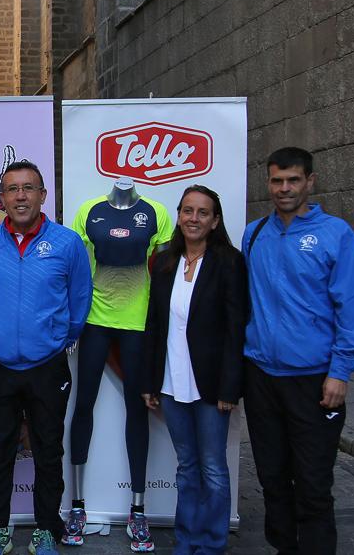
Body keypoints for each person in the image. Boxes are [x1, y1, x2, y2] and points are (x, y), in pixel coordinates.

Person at [243, 147, 354, 555]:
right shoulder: (254, 234)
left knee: (314, 485)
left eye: (293, 180)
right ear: (268, 182)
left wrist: (341, 371)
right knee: (273, 481)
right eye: (277, 180)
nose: (284, 189)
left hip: (314, 380)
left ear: (310, 182)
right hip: (262, 378)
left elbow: (353, 308)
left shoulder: (336, 234)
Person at [0, 160, 92, 555]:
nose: (21, 196)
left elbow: (80, 301)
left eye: (29, 188)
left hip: (47, 366)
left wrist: (59, 337)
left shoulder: (67, 243)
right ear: (2, 199)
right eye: (12, 189)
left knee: (48, 449)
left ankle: (46, 528)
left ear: (43, 195)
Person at [65, 177, 173, 551]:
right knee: (83, 406)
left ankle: (138, 510)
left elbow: (164, 270)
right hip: (94, 321)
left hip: (137, 324)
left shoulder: (156, 212)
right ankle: (77, 506)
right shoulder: (88, 211)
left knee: (136, 410)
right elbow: (78, 268)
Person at [141, 185, 247, 555]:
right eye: (188, 211)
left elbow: (237, 329)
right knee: (186, 467)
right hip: (171, 386)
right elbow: (154, 325)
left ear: (215, 220)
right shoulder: (167, 262)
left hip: (211, 387)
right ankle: (186, 541)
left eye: (203, 212)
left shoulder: (229, 262)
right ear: (180, 216)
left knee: (214, 469)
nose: (194, 219)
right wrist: (150, 381)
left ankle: (213, 543)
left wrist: (230, 389)